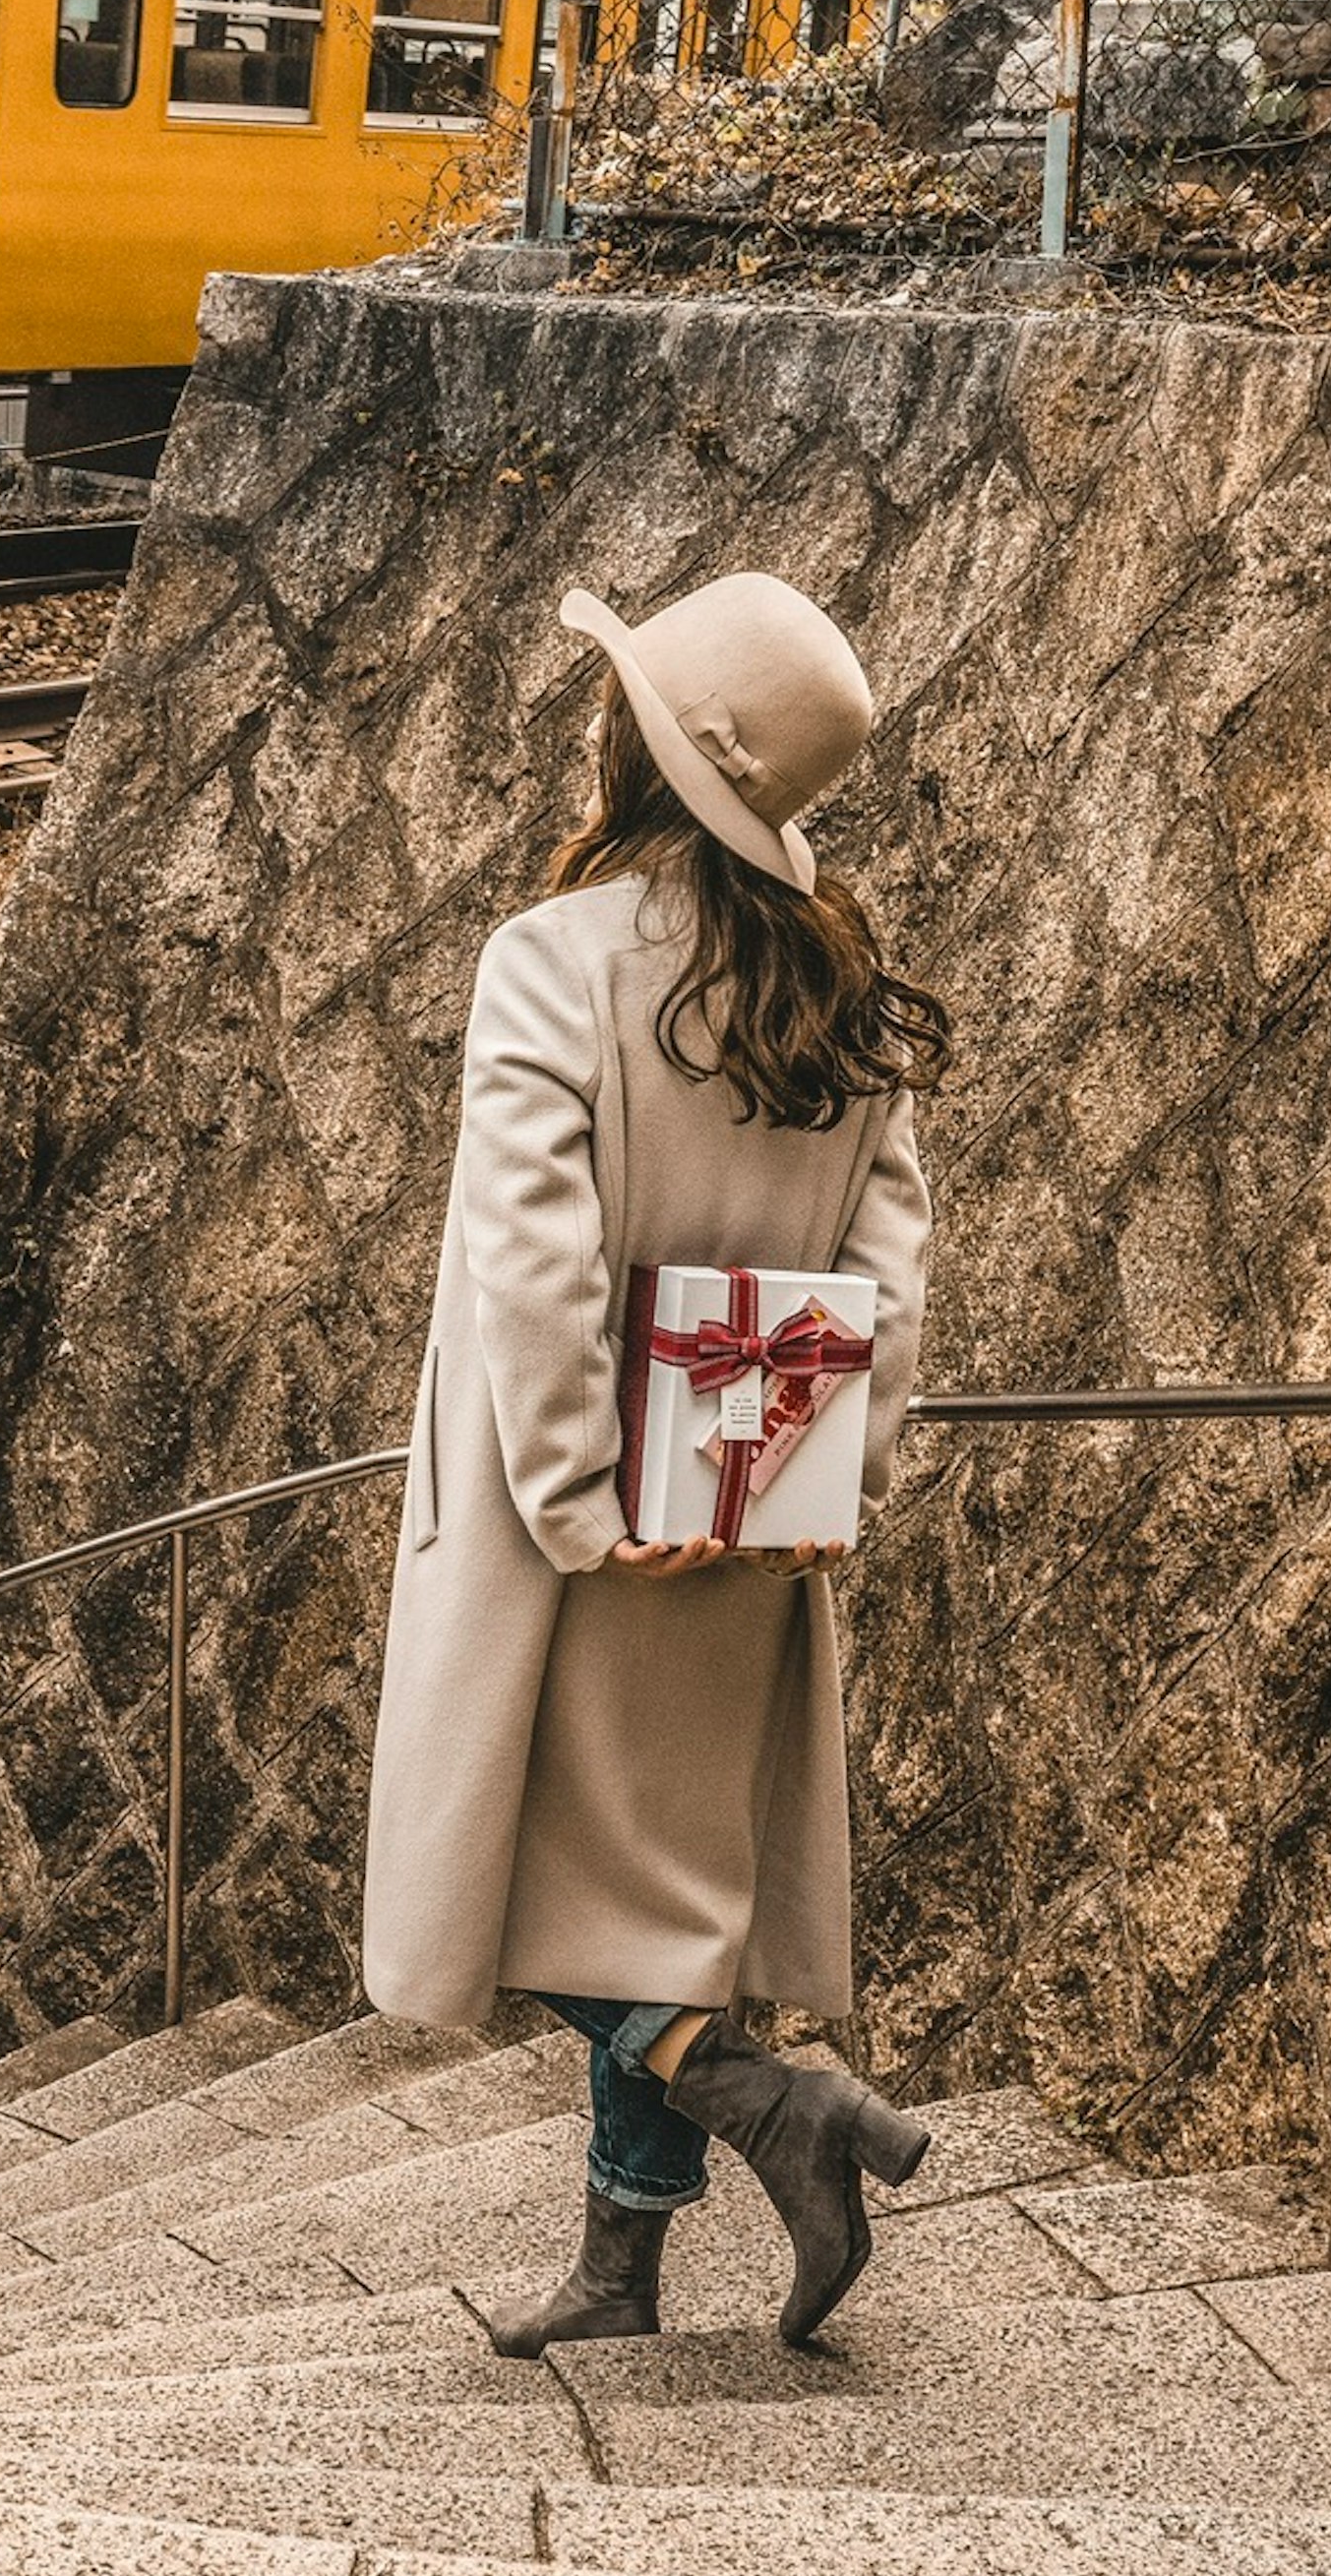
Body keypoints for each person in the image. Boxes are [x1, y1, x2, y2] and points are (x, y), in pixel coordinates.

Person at [360, 564, 946, 2353]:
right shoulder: (838, 993)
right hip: (744, 1519)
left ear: (638, 747)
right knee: (669, 1897)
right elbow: (887, 1281)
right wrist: (777, 1478)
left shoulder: (554, 960)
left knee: (510, 1894)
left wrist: (584, 1502)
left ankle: (774, 2103)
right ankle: (622, 2267)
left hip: (579, 1535)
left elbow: (530, 1266)